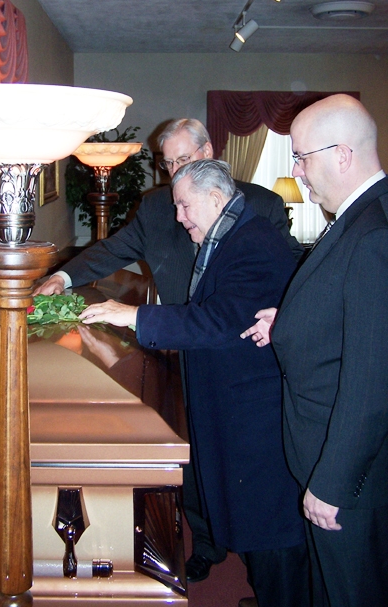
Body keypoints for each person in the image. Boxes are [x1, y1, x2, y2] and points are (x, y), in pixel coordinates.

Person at [35, 118, 303, 583]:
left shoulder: (259, 208)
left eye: (185, 160)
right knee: (200, 460)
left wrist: (286, 311)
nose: (175, 171)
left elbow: (285, 277)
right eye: (169, 163)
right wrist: (63, 276)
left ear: (209, 154)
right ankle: (208, 541)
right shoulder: (161, 207)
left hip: (237, 359)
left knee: (250, 474)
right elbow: (111, 250)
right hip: (182, 353)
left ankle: (251, 547)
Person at [241, 94, 388, 607]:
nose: (298, 172)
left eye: (302, 157)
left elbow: (373, 380)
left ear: (342, 155)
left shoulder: (373, 233)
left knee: (351, 594)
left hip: (348, 473)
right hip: (331, 454)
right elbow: (358, 318)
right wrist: (292, 321)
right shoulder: (363, 215)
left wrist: (331, 482)